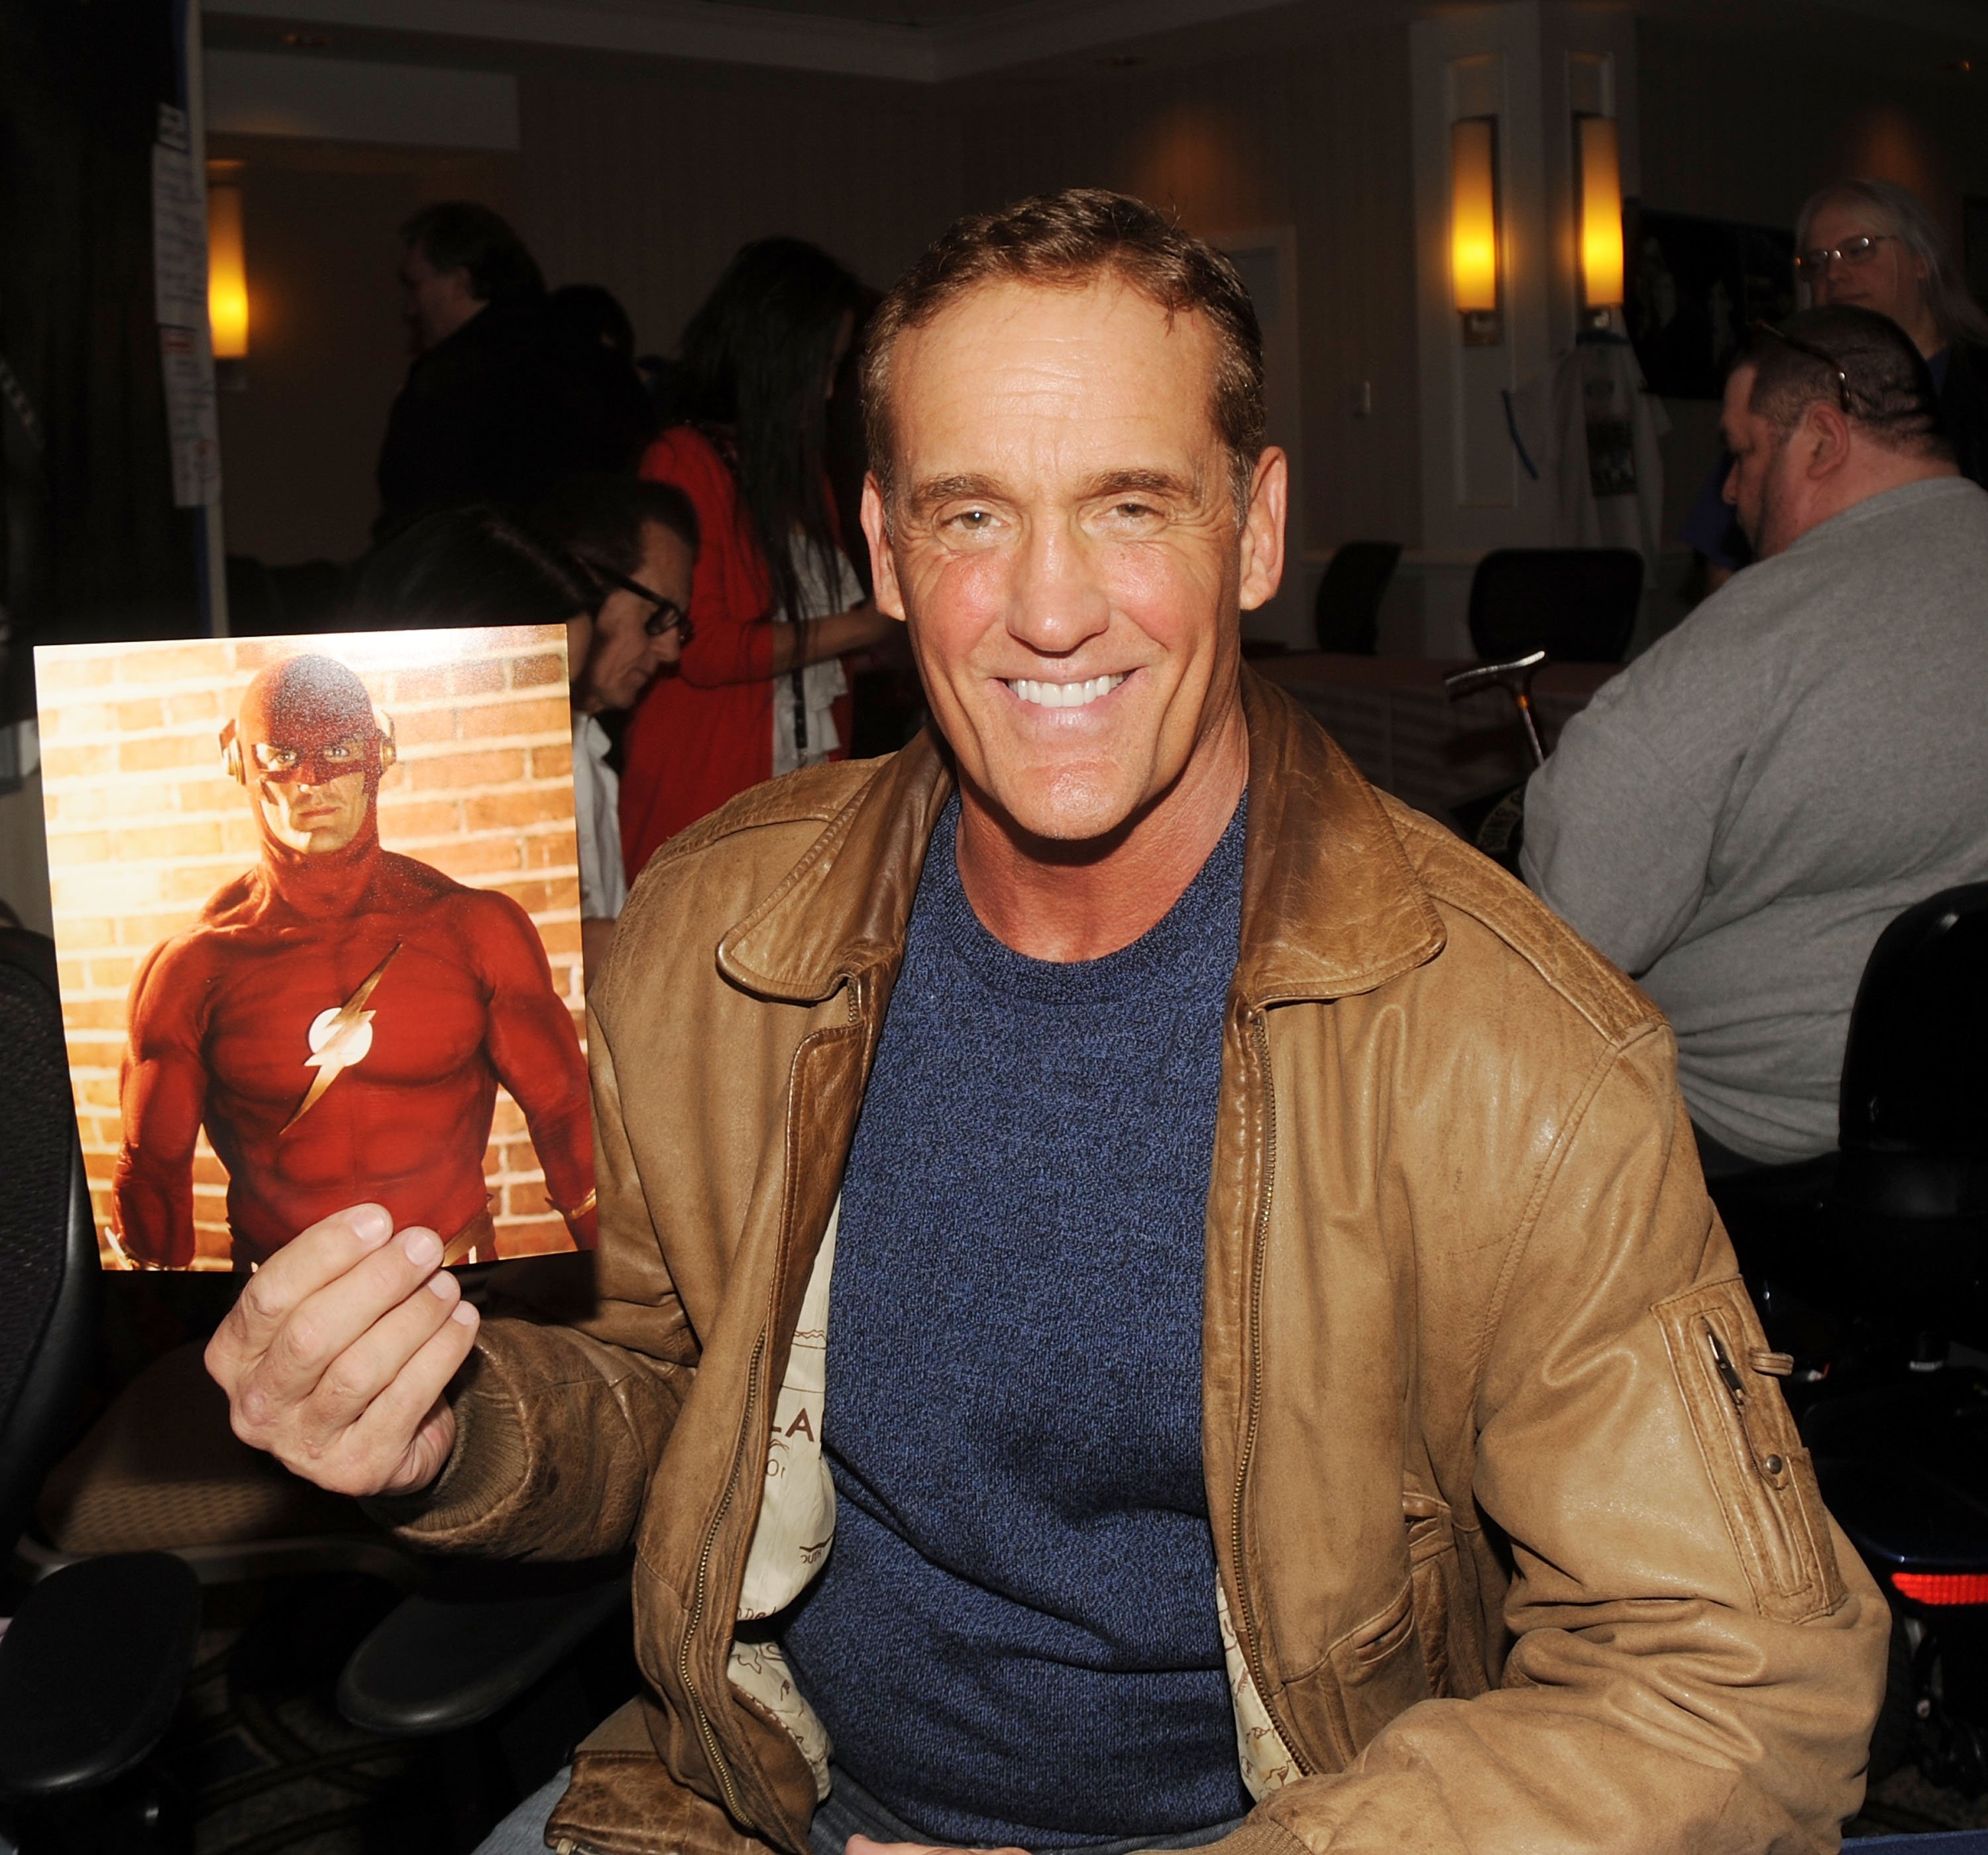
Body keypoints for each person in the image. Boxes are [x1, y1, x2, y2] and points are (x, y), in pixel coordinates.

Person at [207, 191, 1883, 1855]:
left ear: (1257, 522)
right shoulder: (718, 935)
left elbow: (1737, 1681)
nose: (1052, 606)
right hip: (753, 1794)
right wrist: (452, 1422)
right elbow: (662, 1390)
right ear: (881, 547)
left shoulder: (1506, 1049)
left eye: (1131, 505)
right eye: (971, 517)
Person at [1525, 305, 1988, 1174]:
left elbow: (1572, 922)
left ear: (1820, 440)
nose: (1731, 494)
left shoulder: (1767, 628)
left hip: (1772, 1141)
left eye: (1742, 454)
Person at [113, 652, 596, 1270]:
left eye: (339, 751)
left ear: (379, 753)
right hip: (277, 1298)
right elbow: (151, 1182)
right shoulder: (192, 968)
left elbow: (566, 1119)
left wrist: (619, 1293)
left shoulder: (474, 929)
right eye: (283, 758)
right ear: (239, 761)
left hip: (454, 1280)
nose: (313, 782)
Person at [618, 237, 898, 873]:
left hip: (798, 787)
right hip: (707, 786)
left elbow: (816, 655)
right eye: (821, 367)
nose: (829, 393)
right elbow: (704, 647)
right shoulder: (684, 462)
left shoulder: (799, 472)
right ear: (775, 359)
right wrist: (868, 624)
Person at [1682, 177, 1988, 589]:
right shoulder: (1789, 391)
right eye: (1816, 261)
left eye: (1859, 250)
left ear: (1920, 259)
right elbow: (1724, 564)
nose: (1834, 272)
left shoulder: (1977, 381)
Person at [375, 203, 650, 538]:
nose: (410, 307)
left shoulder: (449, 377)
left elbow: (416, 511)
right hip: (597, 575)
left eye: (416, 285)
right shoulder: (598, 362)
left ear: (461, 282)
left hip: (486, 580)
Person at [530, 475, 699, 980]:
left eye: (678, 626)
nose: (671, 651)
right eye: (657, 616)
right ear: (586, 582)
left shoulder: (595, 757)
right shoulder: (517, 766)